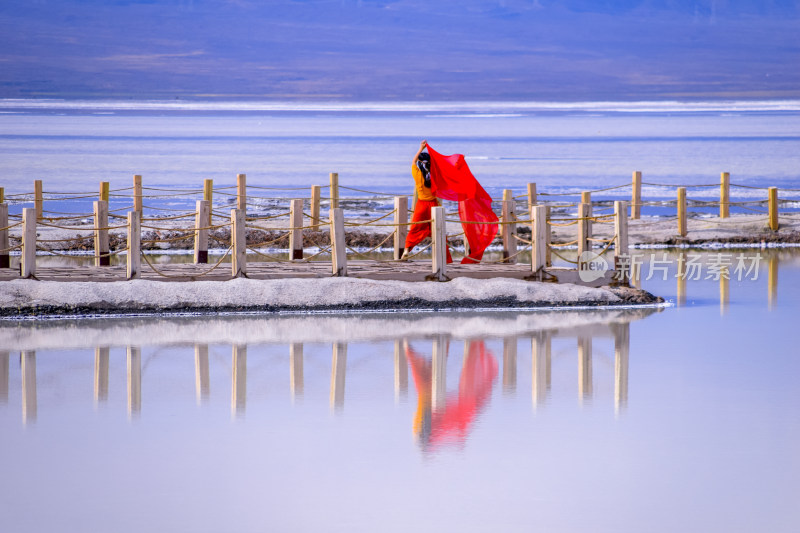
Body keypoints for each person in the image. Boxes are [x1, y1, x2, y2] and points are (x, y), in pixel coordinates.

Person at [400, 140, 453, 262]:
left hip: (421, 205)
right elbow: (444, 168)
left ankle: (406, 251)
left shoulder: (417, 174)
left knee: (415, 229)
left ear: (420, 163)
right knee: (439, 230)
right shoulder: (435, 174)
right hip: (434, 205)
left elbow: (413, 161)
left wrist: (421, 148)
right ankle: (445, 259)